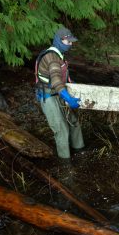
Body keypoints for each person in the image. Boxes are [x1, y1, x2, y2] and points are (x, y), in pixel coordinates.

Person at [35, 27, 84, 159]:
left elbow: (63, 78)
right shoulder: (52, 58)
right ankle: (65, 162)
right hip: (48, 97)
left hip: (59, 93)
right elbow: (56, 81)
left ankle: (80, 151)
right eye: (69, 42)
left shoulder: (59, 55)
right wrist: (68, 98)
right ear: (59, 41)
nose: (71, 44)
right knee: (61, 129)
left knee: (74, 122)